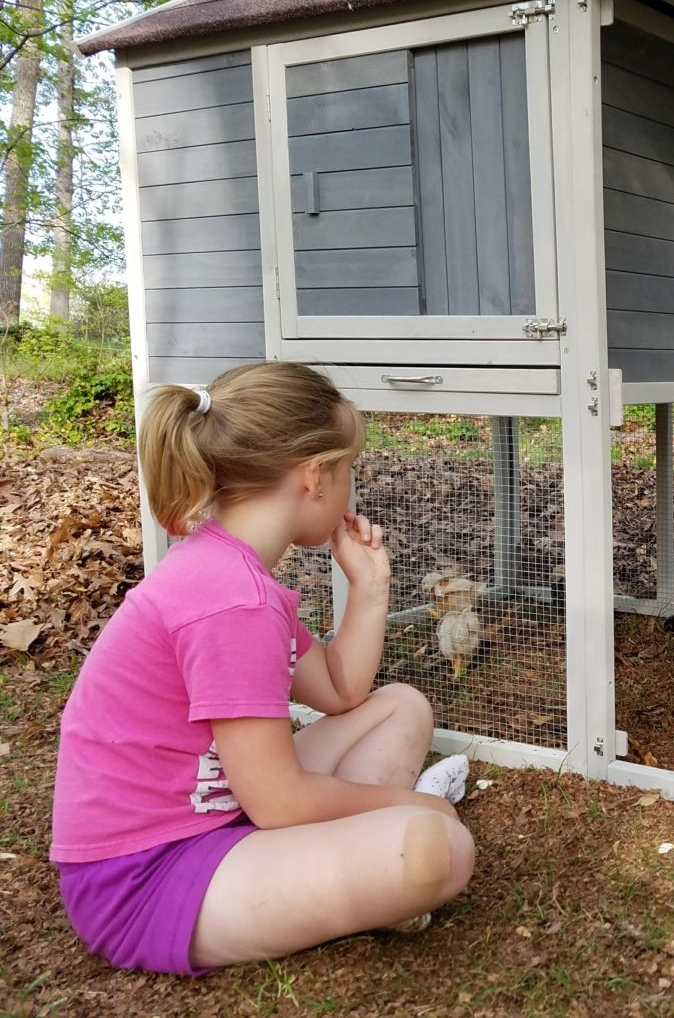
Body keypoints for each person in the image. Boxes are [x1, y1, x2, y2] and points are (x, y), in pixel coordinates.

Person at [50, 362, 475, 977]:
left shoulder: (226, 567)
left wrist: (370, 589)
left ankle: (365, 850)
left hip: (223, 814)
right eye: (349, 469)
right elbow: (279, 800)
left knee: (401, 707)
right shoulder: (234, 602)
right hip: (149, 878)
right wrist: (412, 807)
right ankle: (386, 848)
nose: (350, 488)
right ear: (315, 476)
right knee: (441, 848)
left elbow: (340, 689)